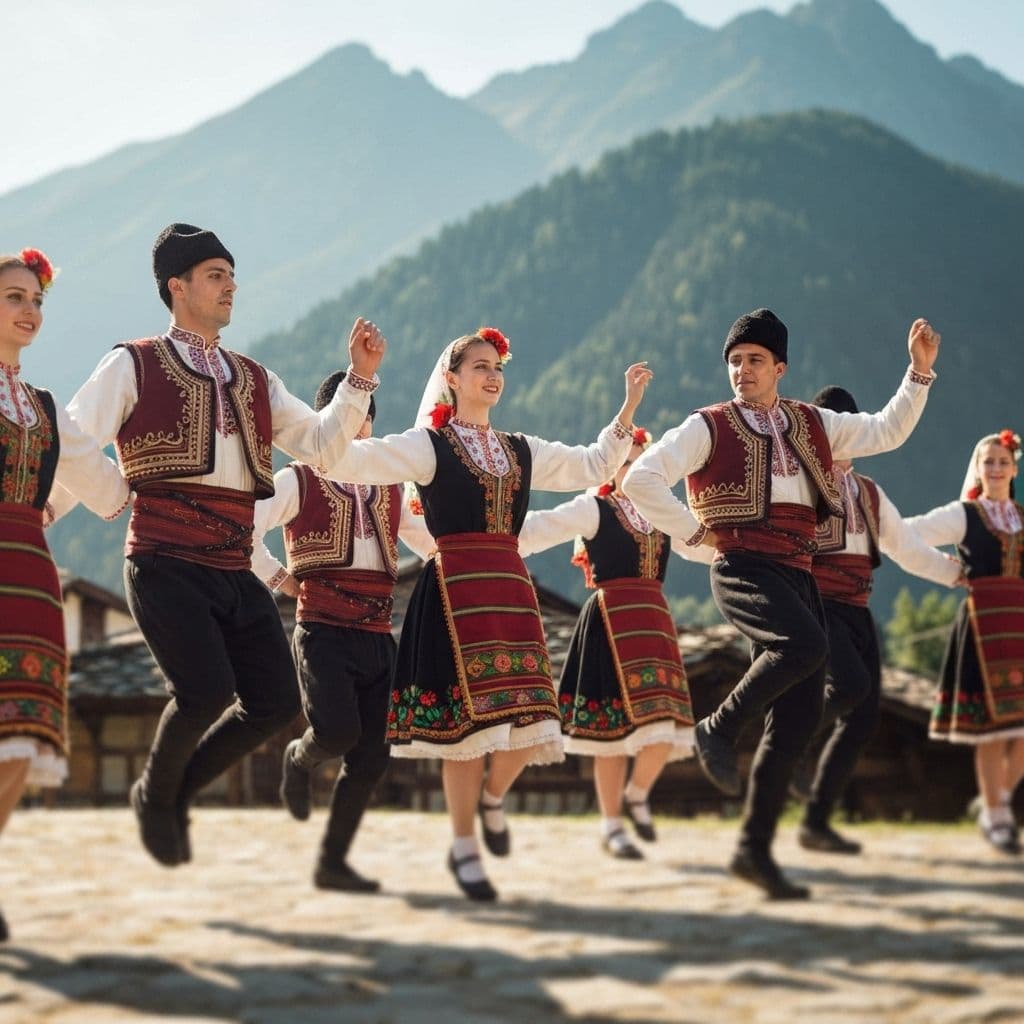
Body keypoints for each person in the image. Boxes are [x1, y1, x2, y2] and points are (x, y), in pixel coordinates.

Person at [64, 224, 385, 867]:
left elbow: (322, 446)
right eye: (216, 274)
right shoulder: (133, 362)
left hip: (234, 563)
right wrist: (106, 494)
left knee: (275, 702)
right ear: (176, 287)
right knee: (205, 691)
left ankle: (165, 789)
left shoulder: (254, 378)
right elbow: (71, 436)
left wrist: (358, 379)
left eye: (232, 274)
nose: (231, 284)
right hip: (163, 558)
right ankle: (161, 798)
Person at [624, 308, 940, 899]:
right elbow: (640, 480)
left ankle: (753, 850)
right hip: (742, 564)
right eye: (735, 361)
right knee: (807, 646)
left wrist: (917, 373)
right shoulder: (707, 426)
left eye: (755, 360)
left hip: (797, 571)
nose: (743, 370)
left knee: (795, 719)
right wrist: (695, 536)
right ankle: (716, 727)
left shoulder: (814, 423)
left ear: (780, 368)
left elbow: (885, 430)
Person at [329, 326, 650, 899]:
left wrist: (627, 405)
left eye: (497, 365)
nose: (492, 374)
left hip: (508, 587)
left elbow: (592, 464)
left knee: (533, 726)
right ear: (451, 380)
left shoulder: (521, 450)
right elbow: (348, 460)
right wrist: (358, 380)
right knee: (464, 736)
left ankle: (494, 799)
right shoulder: (428, 445)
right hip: (455, 591)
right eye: (479, 366)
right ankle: (464, 847)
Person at [250, 373, 433, 892]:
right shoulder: (298, 479)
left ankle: (333, 860)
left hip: (379, 634)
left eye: (366, 415)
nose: (359, 423)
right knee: (336, 733)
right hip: (323, 630)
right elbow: (245, 526)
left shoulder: (392, 488)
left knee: (374, 754)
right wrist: (277, 576)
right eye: (349, 414)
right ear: (324, 420)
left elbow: (430, 542)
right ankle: (299, 757)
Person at [0, 249, 131, 941]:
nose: (29, 311)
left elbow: (106, 482)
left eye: (37, 300)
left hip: (29, 572)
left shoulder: (45, 408)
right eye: (15, 297)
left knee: (22, 738)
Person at [517, 428, 712, 859]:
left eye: (641, 461)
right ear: (611, 467)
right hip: (611, 621)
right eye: (626, 461)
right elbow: (539, 528)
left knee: (666, 724)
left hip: (654, 622)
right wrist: (489, 529)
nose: (634, 469)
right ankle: (611, 825)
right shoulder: (594, 508)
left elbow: (701, 546)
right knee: (612, 734)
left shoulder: (663, 512)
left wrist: (738, 548)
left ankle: (638, 794)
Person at [794, 386, 961, 855]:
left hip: (858, 610)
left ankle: (815, 821)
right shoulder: (799, 483)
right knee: (849, 687)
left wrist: (953, 573)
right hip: (817, 604)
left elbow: (907, 547)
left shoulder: (869, 494)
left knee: (863, 718)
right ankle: (795, 740)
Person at [906, 429, 1024, 854]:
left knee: (1022, 730)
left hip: (1020, 625)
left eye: (1002, 462)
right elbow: (906, 533)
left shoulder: (1022, 517)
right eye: (987, 462)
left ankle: (1000, 802)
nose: (994, 469)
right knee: (991, 729)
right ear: (978, 469)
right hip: (983, 624)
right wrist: (948, 570)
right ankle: (997, 818)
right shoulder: (964, 515)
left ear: (1014, 468)